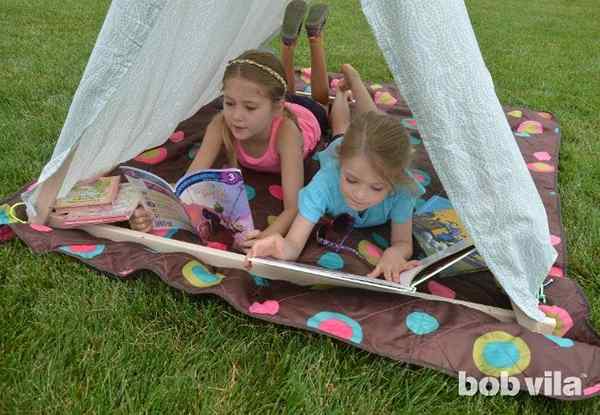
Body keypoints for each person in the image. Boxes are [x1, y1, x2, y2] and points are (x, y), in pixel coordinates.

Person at [131, 1, 331, 247]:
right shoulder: (220, 124)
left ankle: (313, 38)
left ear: (276, 109)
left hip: (307, 116)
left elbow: (292, 207)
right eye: (229, 103)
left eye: (249, 107)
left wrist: (266, 236)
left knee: (321, 101)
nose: (236, 115)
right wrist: (154, 210)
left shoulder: (287, 134)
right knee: (283, 91)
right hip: (277, 103)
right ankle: (288, 44)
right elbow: (189, 181)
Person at [245, 63, 425, 283]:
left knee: (374, 122)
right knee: (340, 130)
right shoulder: (325, 183)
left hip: (375, 149)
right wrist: (280, 246)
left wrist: (395, 253)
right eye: (351, 180)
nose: (359, 194)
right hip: (342, 146)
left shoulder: (401, 188)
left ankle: (354, 82)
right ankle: (340, 92)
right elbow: (293, 245)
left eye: (376, 187)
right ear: (341, 164)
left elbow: (403, 243)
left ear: (394, 181)